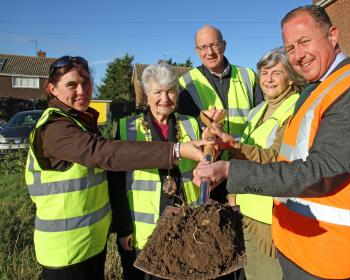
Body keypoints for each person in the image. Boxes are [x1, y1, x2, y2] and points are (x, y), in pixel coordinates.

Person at [193, 5, 350, 280]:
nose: (298, 56)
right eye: (290, 48)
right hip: (293, 237)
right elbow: (288, 158)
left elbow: (322, 171)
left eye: (304, 42)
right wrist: (233, 147)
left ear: (333, 35)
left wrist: (231, 171)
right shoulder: (316, 90)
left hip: (326, 249)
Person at [25, 56, 208, 280]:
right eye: (71, 85)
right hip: (67, 249)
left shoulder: (81, 121)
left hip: (91, 243)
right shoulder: (56, 127)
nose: (81, 91)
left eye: (86, 83)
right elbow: (105, 155)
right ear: (52, 89)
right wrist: (176, 151)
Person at [205, 47, 305, 280]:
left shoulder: (295, 110)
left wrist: (234, 146)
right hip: (246, 210)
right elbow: (246, 153)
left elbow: (277, 158)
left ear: (290, 77)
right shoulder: (257, 110)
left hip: (271, 218)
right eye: (264, 73)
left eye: (276, 73)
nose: (268, 79)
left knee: (268, 274)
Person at [109, 62, 201, 280]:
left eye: (170, 91)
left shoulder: (191, 124)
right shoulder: (127, 128)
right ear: (146, 95)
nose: (165, 98)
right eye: (158, 92)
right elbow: (115, 183)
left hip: (185, 227)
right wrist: (123, 228)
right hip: (143, 232)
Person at [178, 24, 264, 202]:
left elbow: (261, 118)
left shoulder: (248, 76)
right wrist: (205, 124)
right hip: (208, 170)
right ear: (196, 50)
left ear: (224, 45)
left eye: (214, 45)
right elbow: (184, 127)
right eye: (203, 47)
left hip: (244, 163)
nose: (209, 52)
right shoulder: (186, 82)